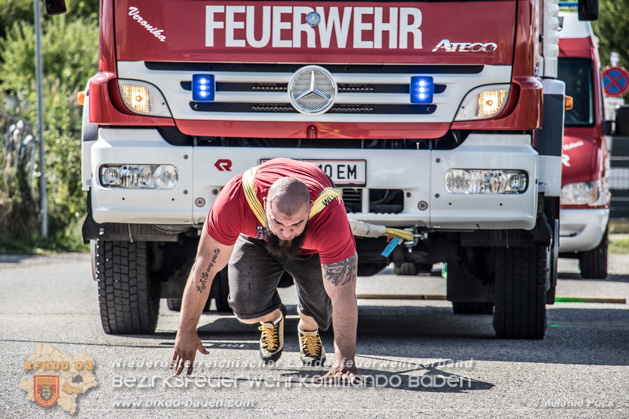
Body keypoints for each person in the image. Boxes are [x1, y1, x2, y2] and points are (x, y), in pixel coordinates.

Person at [171, 158, 360, 382]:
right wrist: (185, 331)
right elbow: (203, 270)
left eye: (296, 224)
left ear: (309, 209)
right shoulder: (235, 200)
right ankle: (272, 318)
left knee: (320, 310)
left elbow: (343, 292)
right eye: (279, 223)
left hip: (311, 249)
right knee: (244, 306)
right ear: (265, 204)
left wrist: (344, 362)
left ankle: (308, 328)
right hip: (258, 239)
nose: (287, 233)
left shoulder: (329, 215)